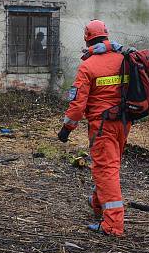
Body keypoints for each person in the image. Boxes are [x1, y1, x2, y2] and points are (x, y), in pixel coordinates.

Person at [57, 19, 135, 237]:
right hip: (124, 122)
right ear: (106, 36)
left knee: (106, 169)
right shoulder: (124, 59)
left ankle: (113, 225)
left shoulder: (88, 66)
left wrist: (66, 129)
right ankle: (98, 204)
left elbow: (77, 105)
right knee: (110, 165)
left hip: (103, 126)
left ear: (87, 37)